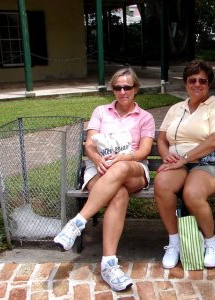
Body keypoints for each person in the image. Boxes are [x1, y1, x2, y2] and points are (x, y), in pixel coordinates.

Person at [54, 67, 155, 291]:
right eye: (117, 87)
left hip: (134, 169)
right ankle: (109, 265)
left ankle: (77, 223)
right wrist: (97, 159)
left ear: (136, 89)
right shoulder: (101, 111)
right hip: (99, 168)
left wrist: (123, 157)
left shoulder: (145, 117)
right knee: (117, 193)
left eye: (127, 87)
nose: (122, 91)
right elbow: (90, 143)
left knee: (119, 170)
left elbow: (145, 151)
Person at [154, 60, 215, 269]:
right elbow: (162, 138)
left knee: (192, 193)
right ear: (185, 83)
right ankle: (174, 242)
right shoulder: (176, 108)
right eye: (192, 80)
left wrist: (185, 158)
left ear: (209, 84)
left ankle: (211, 242)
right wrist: (166, 157)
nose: (197, 84)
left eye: (202, 81)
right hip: (179, 164)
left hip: (210, 162)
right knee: (162, 183)